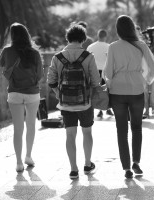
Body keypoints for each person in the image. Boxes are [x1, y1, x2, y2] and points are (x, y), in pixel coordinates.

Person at [103, 15, 154, 178]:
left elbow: (107, 73)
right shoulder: (141, 45)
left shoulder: (113, 47)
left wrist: (110, 83)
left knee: (121, 130)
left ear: (118, 30)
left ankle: (126, 168)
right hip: (136, 89)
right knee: (136, 128)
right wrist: (145, 81)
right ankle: (136, 162)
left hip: (117, 92)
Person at [47, 24, 101, 179]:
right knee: (87, 132)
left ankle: (73, 169)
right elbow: (96, 82)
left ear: (68, 38)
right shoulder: (88, 56)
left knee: (70, 135)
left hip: (66, 104)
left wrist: (59, 93)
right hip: (85, 103)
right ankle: (87, 163)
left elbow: (51, 80)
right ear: (83, 39)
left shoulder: (58, 57)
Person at [0, 22, 44, 172]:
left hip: (14, 92)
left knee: (18, 129)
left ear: (12, 36)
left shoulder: (7, 51)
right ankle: (28, 156)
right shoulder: (35, 53)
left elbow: (1, 63)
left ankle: (18, 162)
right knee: (30, 125)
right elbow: (40, 75)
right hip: (32, 93)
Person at [87, 29, 114, 118]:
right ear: (105, 36)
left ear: (98, 36)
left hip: (94, 70)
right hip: (105, 70)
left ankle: (99, 109)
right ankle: (108, 108)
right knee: (106, 90)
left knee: (96, 91)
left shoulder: (91, 46)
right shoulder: (109, 46)